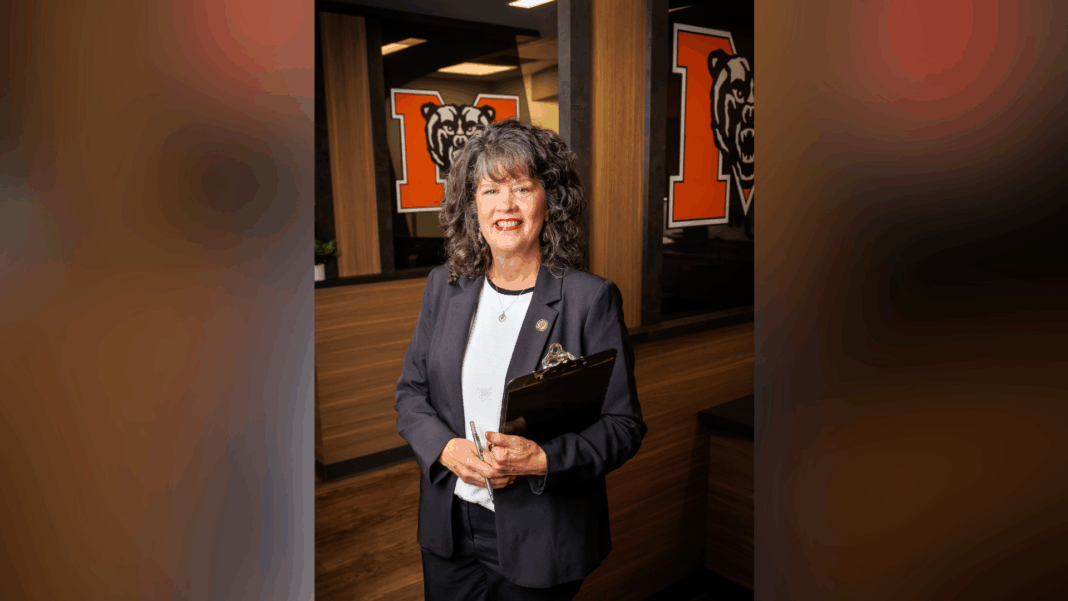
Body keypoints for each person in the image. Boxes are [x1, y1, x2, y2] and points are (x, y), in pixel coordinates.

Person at [394, 119, 646, 601]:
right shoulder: (443, 288)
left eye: (521, 188)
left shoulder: (589, 300)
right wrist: (445, 448)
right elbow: (410, 392)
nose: (505, 206)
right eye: (489, 190)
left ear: (549, 201)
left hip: (541, 535)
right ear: (473, 206)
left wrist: (544, 459)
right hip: (450, 525)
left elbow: (623, 425)